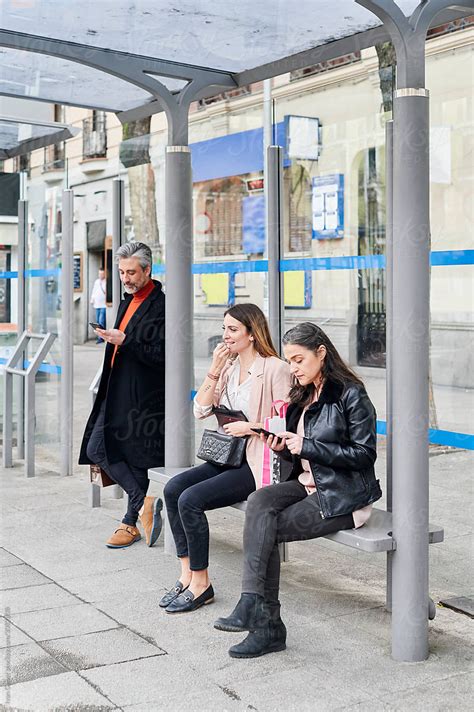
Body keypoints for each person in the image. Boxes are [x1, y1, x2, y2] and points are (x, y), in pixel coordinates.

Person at [214, 322, 382, 658]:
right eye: (289, 360)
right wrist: (280, 444)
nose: (293, 368)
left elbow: (365, 454)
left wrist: (307, 446)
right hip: (306, 484)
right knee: (259, 500)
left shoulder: (350, 393)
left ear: (321, 353)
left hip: (341, 495)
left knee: (266, 529)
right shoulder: (303, 392)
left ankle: (267, 625)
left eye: (299, 360)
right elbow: (297, 449)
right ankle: (252, 602)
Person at [160, 304, 291, 614]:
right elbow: (200, 410)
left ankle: (202, 584)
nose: (226, 336)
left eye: (233, 329)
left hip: (257, 460)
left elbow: (287, 423)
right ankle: (187, 574)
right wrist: (215, 369)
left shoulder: (274, 368)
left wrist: (251, 427)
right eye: (224, 329)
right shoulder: (229, 369)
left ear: (252, 332)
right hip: (228, 455)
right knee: (173, 489)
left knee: (190, 499)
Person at [79, 242, 165, 549]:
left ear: (147, 270)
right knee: (98, 448)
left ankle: (131, 522)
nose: (126, 278)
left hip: (142, 396)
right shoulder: (127, 301)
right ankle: (143, 507)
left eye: (131, 272)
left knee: (133, 458)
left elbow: (163, 356)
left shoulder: (161, 305)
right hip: (116, 387)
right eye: (121, 272)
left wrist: (125, 340)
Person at [90, 268, 107, 343]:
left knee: (101, 321)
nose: (100, 275)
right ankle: (100, 336)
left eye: (102, 274)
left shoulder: (106, 282)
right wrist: (92, 299)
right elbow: (94, 290)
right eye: (99, 274)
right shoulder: (96, 282)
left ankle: (101, 338)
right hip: (97, 304)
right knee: (97, 321)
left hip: (104, 305)